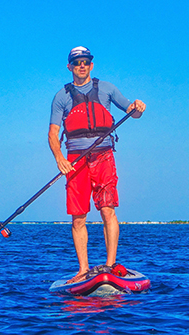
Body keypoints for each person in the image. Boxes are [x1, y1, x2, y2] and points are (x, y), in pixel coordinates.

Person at [48, 46, 146, 283]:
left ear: (91, 65)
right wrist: (59, 159)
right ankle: (83, 270)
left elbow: (131, 112)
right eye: (77, 62)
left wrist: (138, 107)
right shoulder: (61, 97)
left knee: (107, 209)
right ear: (70, 67)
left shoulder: (108, 89)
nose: (81, 66)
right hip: (75, 160)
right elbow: (52, 134)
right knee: (78, 216)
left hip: (103, 156)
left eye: (85, 62)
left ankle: (110, 266)